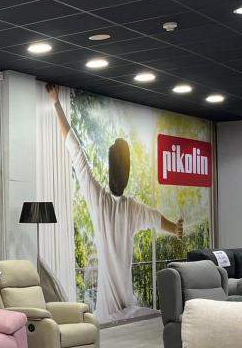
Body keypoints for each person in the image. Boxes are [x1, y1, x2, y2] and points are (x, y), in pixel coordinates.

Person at [46, 83, 182, 319]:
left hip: (111, 312)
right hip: (124, 309)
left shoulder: (101, 200)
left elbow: (77, 152)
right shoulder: (130, 208)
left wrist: (56, 104)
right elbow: (157, 219)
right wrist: (175, 229)